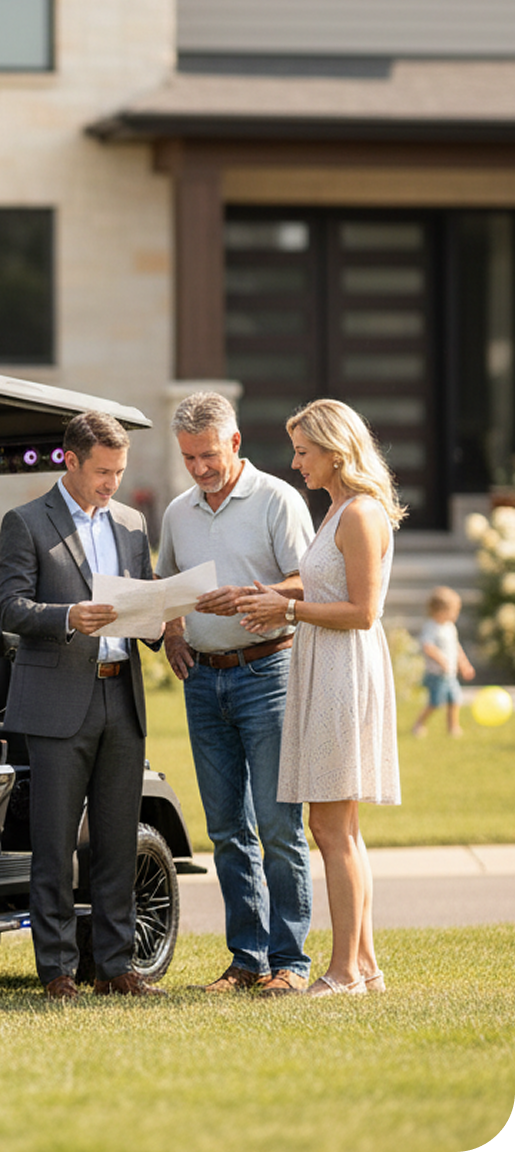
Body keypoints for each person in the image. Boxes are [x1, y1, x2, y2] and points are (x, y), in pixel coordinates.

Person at [237, 398, 405, 998]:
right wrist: (268, 597)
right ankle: (366, 965)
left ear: (336, 452)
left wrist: (287, 608)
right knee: (339, 828)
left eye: (304, 452)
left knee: (332, 828)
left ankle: (344, 973)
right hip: (323, 665)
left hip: (343, 670)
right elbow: (325, 584)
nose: (295, 462)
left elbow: (363, 611)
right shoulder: (336, 510)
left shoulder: (360, 514)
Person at [0, 410, 164, 1002]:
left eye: (119, 471)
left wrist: (168, 617)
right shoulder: (25, 522)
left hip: (122, 694)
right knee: (55, 845)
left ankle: (116, 967)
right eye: (102, 471)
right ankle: (58, 972)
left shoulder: (132, 523)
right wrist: (67, 617)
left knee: (117, 840)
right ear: (69, 461)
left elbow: (146, 603)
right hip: (57, 703)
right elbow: (9, 609)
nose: (111, 483)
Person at [157, 392, 315, 997]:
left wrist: (255, 594)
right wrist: (173, 631)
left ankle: (290, 963)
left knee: (278, 827)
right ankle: (246, 960)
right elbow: (167, 585)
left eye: (208, 456)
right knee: (227, 830)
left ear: (236, 443)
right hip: (205, 679)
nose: (199, 468)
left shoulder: (277, 499)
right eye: (189, 457)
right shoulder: (178, 512)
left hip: (267, 675)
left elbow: (309, 581)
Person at [412, 586, 474, 738]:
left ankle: (453, 727)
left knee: (455, 700)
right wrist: (441, 660)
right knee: (435, 702)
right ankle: (419, 724)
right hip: (437, 674)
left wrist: (464, 664)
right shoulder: (432, 627)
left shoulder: (450, 627)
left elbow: (456, 647)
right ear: (440, 611)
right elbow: (428, 646)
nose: (456, 614)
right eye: (454, 610)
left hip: (450, 674)